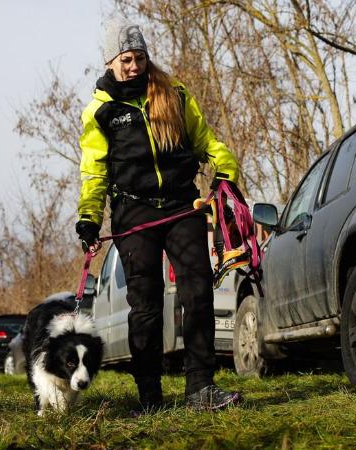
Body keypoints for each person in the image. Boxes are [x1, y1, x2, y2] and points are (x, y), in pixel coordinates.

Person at [75, 18, 242, 413]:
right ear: (111, 62)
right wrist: (88, 217)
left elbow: (207, 141)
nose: (134, 66)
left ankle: (201, 387)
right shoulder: (100, 111)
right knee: (145, 306)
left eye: (140, 58)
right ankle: (149, 395)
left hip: (183, 206)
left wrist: (225, 170)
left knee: (197, 293)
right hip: (134, 213)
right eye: (127, 59)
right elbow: (94, 171)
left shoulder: (174, 94)